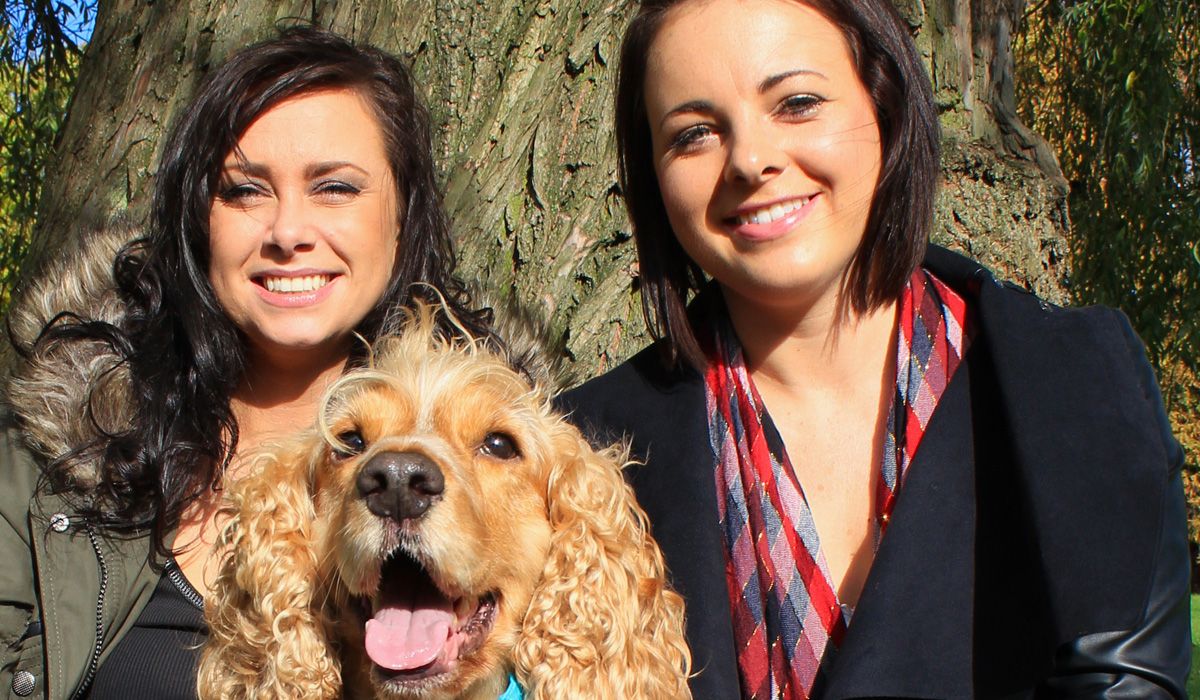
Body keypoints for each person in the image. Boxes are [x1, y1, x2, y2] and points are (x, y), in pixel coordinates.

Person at [560, 0, 1192, 697]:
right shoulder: (579, 456)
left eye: (797, 103)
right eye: (695, 134)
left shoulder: (1076, 382)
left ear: (885, 105)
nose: (750, 159)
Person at [0, 27, 488, 699]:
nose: (288, 232)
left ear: (402, 216)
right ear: (197, 221)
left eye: (336, 187)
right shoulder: (44, 471)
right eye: (244, 191)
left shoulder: (505, 486)